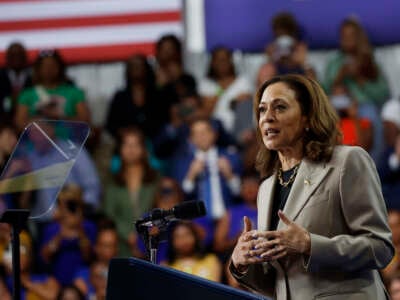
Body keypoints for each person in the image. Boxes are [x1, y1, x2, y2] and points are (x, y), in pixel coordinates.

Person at [229, 74, 394, 299]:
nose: (267, 118)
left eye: (280, 107)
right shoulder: (266, 188)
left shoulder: (346, 162)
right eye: (262, 110)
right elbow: (282, 285)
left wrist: (310, 244)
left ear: (307, 117)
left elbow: (379, 248)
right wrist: (242, 263)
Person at [103, 127, 159, 257]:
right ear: (120, 149)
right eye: (127, 144)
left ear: (143, 149)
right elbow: (109, 214)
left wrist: (146, 233)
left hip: (152, 241)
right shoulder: (113, 181)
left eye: (135, 145)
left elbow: (161, 207)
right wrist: (129, 235)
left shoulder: (155, 178)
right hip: (121, 243)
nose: (131, 149)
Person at [15, 49, 91, 131]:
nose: (49, 69)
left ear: (60, 68)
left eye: (52, 66)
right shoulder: (27, 94)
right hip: (35, 142)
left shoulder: (75, 92)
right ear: (38, 69)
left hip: (68, 142)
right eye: (45, 66)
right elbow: (19, 123)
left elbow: (85, 121)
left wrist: (59, 118)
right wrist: (38, 121)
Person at [40, 184, 97, 286]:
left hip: (82, 281)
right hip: (57, 281)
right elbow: (45, 257)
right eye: (62, 204)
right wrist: (61, 234)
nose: (66, 209)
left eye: (71, 204)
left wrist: (79, 228)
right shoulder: (52, 228)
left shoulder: (88, 227)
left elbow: (89, 257)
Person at [198, 46, 253, 135]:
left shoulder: (242, 81)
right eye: (218, 60)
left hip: (238, 128)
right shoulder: (205, 83)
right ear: (212, 63)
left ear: (231, 61)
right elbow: (207, 108)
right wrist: (221, 90)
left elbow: (246, 104)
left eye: (225, 60)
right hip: (214, 129)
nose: (222, 63)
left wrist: (236, 101)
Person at [0, 42, 32, 123]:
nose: (16, 58)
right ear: (7, 57)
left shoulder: (35, 76)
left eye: (19, 55)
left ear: (25, 57)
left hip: (29, 121)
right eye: (13, 55)